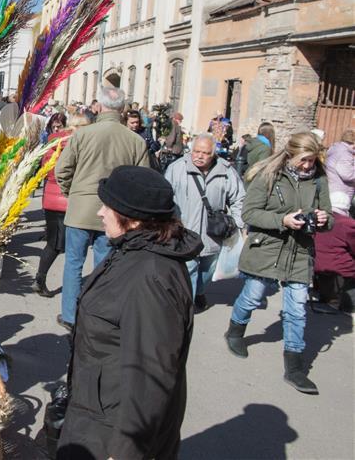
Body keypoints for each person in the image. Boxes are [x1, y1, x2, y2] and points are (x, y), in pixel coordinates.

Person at [56, 166, 201, 460]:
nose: (99, 213)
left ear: (133, 220)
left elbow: (150, 377)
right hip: (97, 411)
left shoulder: (152, 276)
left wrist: (125, 453)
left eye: (107, 207)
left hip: (111, 433)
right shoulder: (131, 250)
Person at [226, 132, 333, 395]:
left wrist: (323, 218)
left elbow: (329, 217)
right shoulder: (269, 174)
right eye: (304, 160)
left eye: (312, 160)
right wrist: (282, 220)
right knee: (252, 296)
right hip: (267, 249)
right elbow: (249, 212)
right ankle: (235, 332)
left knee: (296, 310)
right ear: (291, 154)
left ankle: (295, 368)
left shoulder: (319, 179)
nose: (308, 165)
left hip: (299, 252)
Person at [54, 87, 150, 331]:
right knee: (104, 266)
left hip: (81, 209)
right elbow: (143, 180)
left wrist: (72, 194)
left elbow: (62, 170)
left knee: (74, 264)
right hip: (116, 212)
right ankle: (97, 316)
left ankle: (69, 315)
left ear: (100, 106)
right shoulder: (135, 140)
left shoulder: (83, 135)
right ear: (122, 109)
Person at [164, 134, 246, 310]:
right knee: (189, 270)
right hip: (185, 231)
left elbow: (239, 198)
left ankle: (199, 290)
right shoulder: (176, 168)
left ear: (213, 154)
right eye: (196, 151)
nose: (199, 156)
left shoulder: (225, 171)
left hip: (214, 233)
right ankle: (186, 309)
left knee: (209, 268)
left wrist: (238, 223)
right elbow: (164, 196)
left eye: (205, 153)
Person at [35, 113, 71, 297]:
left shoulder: (50, 144)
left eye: (59, 126)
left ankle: (40, 279)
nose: (57, 129)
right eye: (55, 126)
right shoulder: (70, 145)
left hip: (50, 198)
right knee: (57, 245)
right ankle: (40, 279)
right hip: (64, 200)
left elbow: (43, 169)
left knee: (54, 243)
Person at [313, 191, 355, 313]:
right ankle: (348, 305)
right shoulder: (348, 223)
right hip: (337, 268)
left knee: (327, 262)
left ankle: (328, 298)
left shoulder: (318, 218)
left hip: (316, 264)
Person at [325, 128, 355, 203]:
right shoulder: (344, 154)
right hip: (340, 192)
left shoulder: (337, 149)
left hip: (334, 188)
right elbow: (348, 175)